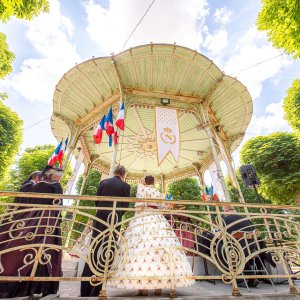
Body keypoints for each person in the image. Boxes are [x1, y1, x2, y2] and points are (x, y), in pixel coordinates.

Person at [107, 175, 195, 297]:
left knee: (141, 248)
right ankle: (159, 287)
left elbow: (138, 206)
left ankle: (142, 288)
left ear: (145, 182)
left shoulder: (142, 190)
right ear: (153, 182)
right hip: (157, 218)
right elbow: (162, 207)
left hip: (144, 217)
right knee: (160, 250)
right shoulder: (157, 192)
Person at [0, 165, 63, 298]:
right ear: (55, 176)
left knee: (26, 248)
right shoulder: (56, 186)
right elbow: (58, 205)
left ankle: (21, 281)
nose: (59, 177)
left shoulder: (37, 184)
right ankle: (41, 284)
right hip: (48, 220)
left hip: (31, 218)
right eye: (58, 175)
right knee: (46, 250)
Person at [80, 165, 131, 297]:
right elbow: (125, 206)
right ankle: (98, 288)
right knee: (108, 248)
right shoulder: (126, 186)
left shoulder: (104, 182)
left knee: (95, 246)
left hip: (100, 216)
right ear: (124, 174)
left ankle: (85, 286)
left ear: (114, 172)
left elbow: (97, 201)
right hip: (114, 218)